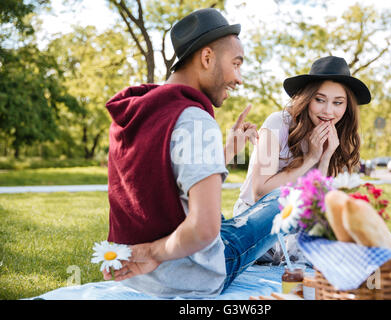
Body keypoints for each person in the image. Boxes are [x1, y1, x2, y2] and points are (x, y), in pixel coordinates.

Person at [101, 8, 283, 298]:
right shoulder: (194, 119)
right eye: (236, 64)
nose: (239, 79)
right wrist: (148, 253)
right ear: (207, 57)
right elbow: (203, 230)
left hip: (136, 278)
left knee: (226, 218)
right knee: (284, 198)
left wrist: (227, 152)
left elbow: (163, 184)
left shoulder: (137, 113)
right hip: (193, 276)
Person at [233, 56, 371, 263]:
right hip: (257, 219)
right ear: (307, 99)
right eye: (320, 100)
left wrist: (324, 160)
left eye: (338, 103)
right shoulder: (278, 122)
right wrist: (310, 158)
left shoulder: (339, 137)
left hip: (300, 220)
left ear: (347, 106)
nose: (328, 111)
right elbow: (260, 192)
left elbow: (317, 205)